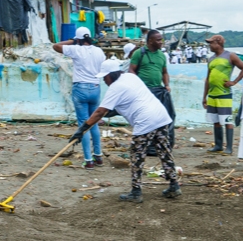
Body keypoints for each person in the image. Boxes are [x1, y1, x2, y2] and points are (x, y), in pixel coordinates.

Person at [72, 59, 179, 203]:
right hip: (160, 117)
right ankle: (174, 185)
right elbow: (127, 101)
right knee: (164, 152)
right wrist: (109, 112)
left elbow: (100, 111)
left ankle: (136, 192)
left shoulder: (115, 87)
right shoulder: (130, 77)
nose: (104, 80)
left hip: (145, 121)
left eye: (105, 77)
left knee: (136, 156)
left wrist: (82, 130)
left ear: (111, 74)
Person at [53, 26, 106, 169]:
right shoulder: (99, 51)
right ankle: (98, 156)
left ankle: (88, 160)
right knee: (93, 122)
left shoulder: (76, 49)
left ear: (78, 39)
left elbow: (56, 46)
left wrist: (72, 41)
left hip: (80, 89)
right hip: (95, 88)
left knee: (83, 124)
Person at [129, 29, 175, 152]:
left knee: (166, 116)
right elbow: (131, 70)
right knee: (147, 118)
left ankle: (163, 144)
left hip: (159, 90)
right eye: (158, 40)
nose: (161, 42)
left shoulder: (162, 55)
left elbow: (165, 72)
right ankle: (148, 147)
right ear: (150, 41)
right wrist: (137, 85)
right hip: (144, 92)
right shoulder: (139, 53)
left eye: (161, 39)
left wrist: (167, 85)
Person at [202, 34, 243, 154]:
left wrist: (234, 81)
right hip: (212, 95)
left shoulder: (230, 56)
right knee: (215, 121)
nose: (209, 45)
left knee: (227, 121)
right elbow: (208, 78)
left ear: (218, 43)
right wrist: (204, 96)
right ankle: (218, 145)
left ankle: (229, 147)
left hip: (224, 94)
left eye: (211, 43)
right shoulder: (211, 59)